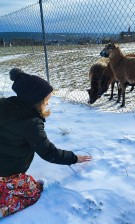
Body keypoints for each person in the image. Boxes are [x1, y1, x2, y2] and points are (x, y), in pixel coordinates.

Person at [0, 68, 92, 218]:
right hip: (7, 173)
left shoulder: (5, 105)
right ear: (35, 100)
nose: (48, 102)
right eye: (46, 100)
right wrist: (74, 158)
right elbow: (49, 152)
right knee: (33, 192)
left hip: (4, 160)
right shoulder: (31, 123)